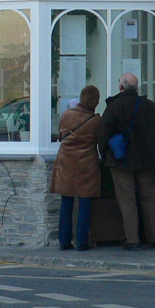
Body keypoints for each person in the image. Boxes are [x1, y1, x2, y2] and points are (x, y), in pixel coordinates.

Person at [96, 72, 155, 249]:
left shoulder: (114, 107)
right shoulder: (150, 106)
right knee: (150, 198)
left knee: (127, 201)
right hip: (147, 159)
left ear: (121, 86)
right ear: (136, 88)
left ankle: (132, 239)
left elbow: (103, 134)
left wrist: (106, 155)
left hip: (121, 160)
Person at [50, 85, 102, 251]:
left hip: (66, 162)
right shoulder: (96, 121)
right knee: (85, 203)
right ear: (95, 102)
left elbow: (61, 135)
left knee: (66, 202)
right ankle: (82, 241)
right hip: (87, 164)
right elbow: (100, 141)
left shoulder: (66, 115)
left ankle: (64, 241)